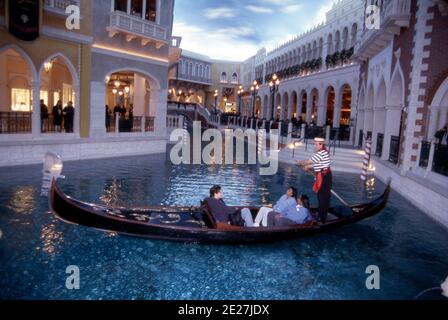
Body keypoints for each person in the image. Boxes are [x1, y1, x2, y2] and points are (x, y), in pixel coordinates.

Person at [297, 137, 332, 223]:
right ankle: (321, 214)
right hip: (323, 175)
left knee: (323, 197)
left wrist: (301, 162)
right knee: (321, 196)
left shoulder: (321, 153)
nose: (315, 146)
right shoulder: (322, 152)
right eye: (315, 144)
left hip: (324, 177)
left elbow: (309, 161)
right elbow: (316, 164)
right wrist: (307, 167)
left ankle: (322, 217)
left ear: (321, 144)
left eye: (316, 144)